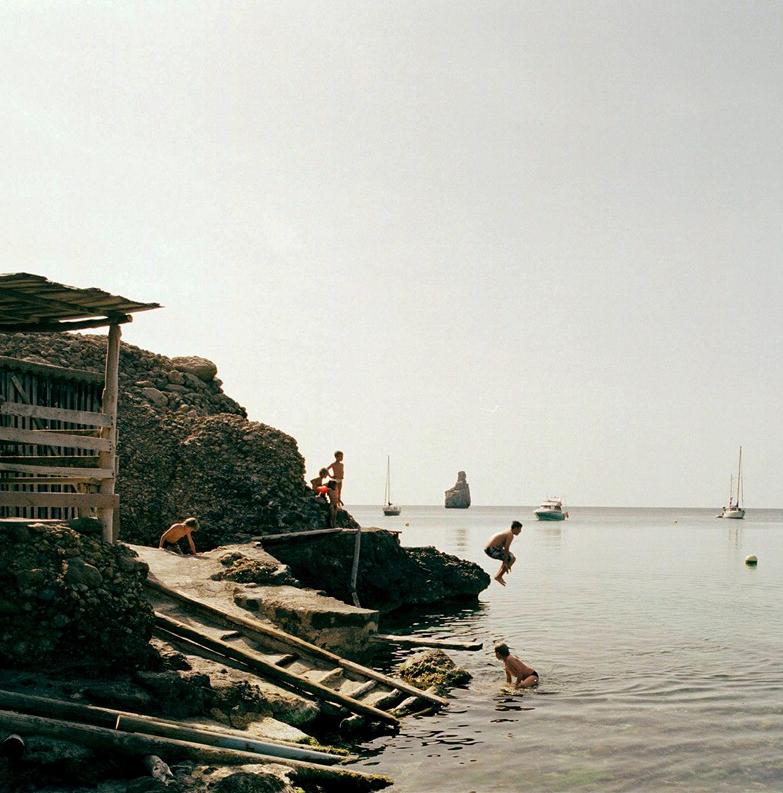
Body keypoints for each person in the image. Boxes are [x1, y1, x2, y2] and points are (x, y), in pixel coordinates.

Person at [484, 520, 522, 586]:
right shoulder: (510, 535)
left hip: (489, 549)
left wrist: (507, 561)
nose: (520, 531)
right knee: (511, 558)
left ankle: (498, 576)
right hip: (491, 550)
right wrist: (506, 562)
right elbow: (506, 548)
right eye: (519, 529)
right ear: (516, 528)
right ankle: (499, 576)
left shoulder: (507, 532)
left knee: (511, 557)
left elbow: (505, 550)